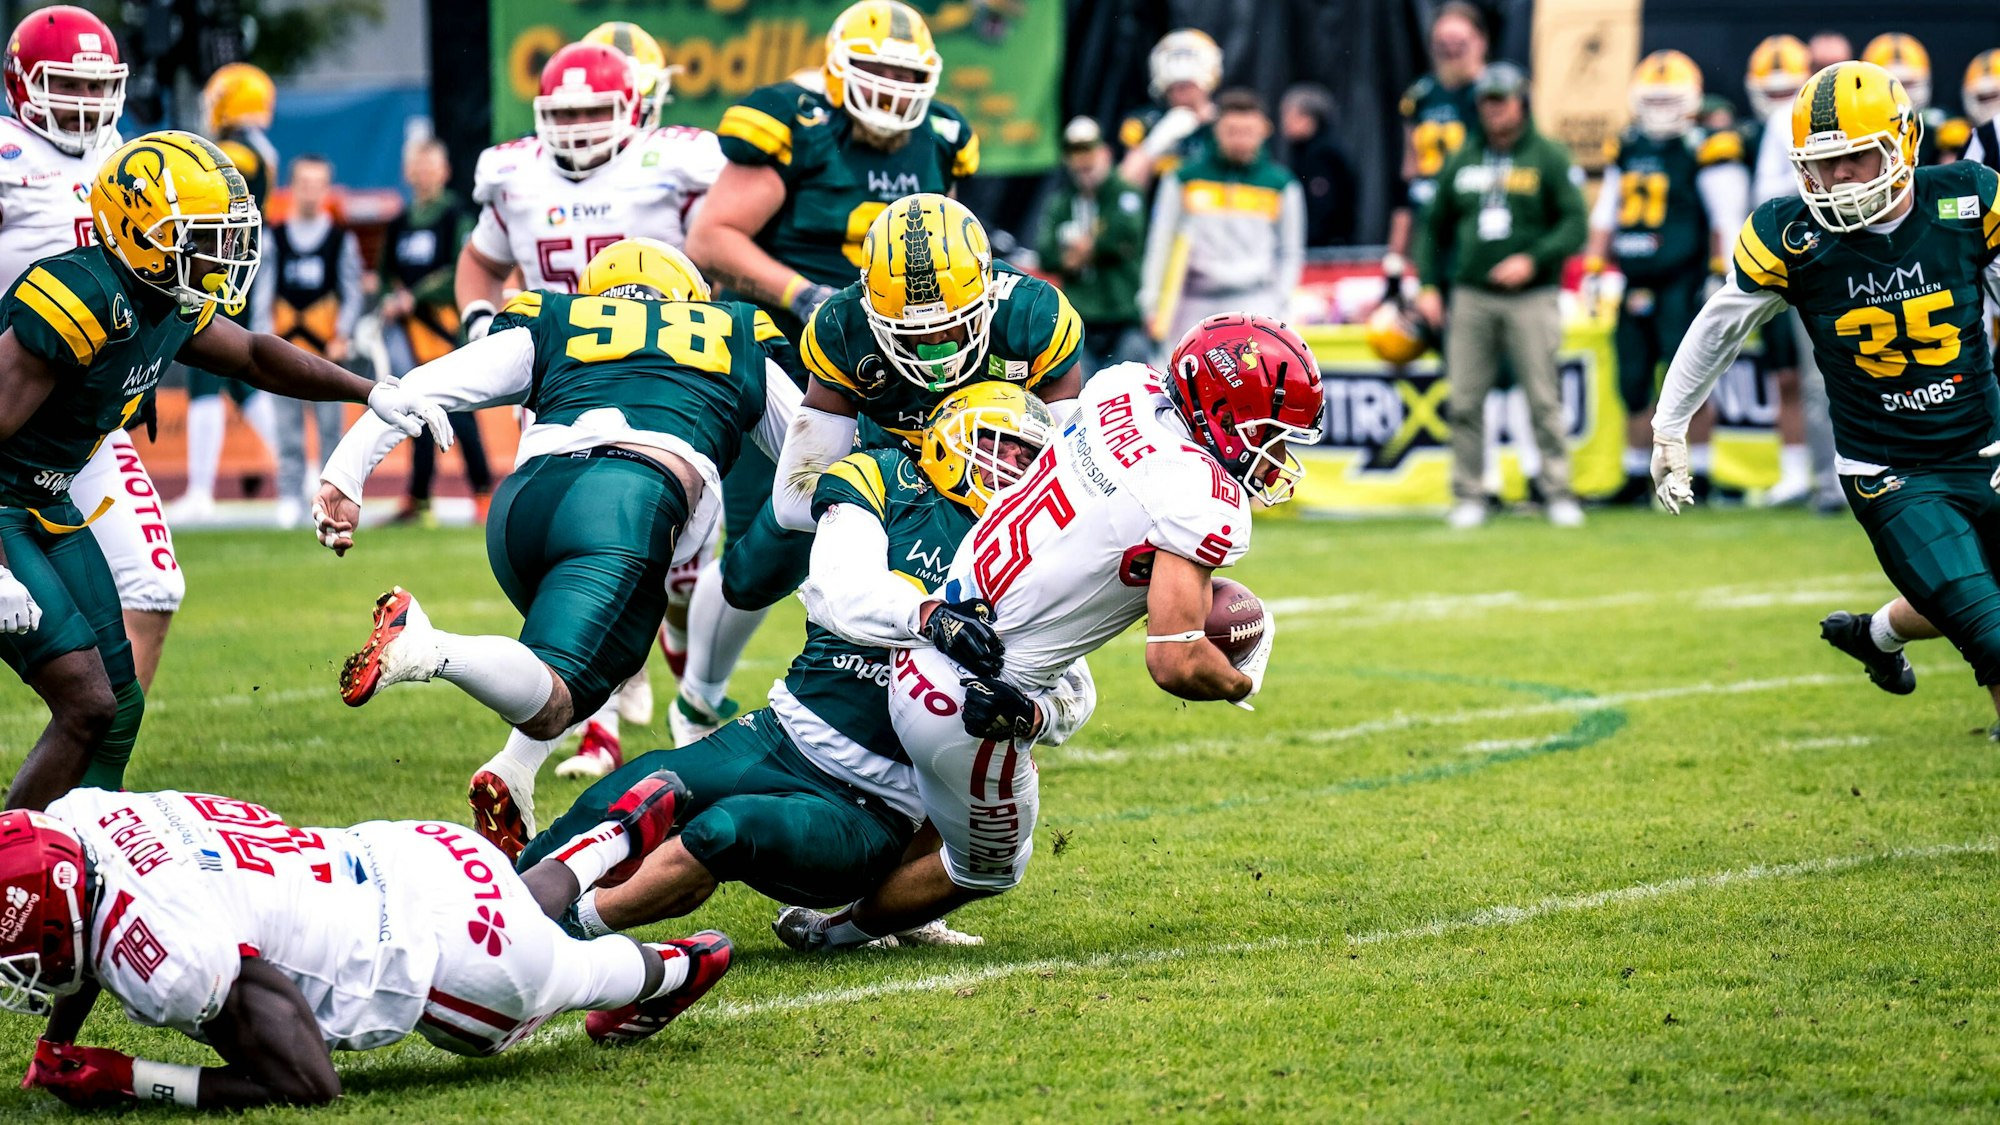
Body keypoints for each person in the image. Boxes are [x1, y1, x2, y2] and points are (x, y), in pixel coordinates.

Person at [775, 314, 1321, 948]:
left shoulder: (1126, 386)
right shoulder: (1202, 498)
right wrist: (1237, 681)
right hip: (972, 691)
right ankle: (835, 931)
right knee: (989, 865)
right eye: (1274, 437)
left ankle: (879, 899)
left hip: (943, 626)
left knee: (973, 787)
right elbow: (1175, 661)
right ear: (1227, 414)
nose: (1278, 457)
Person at [502, 384, 1083, 953]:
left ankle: (564, 934)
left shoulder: (1036, 555)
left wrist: (1032, 715)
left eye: (1029, 456)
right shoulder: (884, 479)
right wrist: (929, 615)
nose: (1013, 465)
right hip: (779, 735)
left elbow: (1074, 692)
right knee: (635, 788)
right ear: (947, 440)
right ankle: (496, 901)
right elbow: (838, 590)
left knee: (723, 830)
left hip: (870, 804)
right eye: (1000, 445)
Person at [0, 131, 448, 811]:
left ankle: (76, 849)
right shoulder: (80, 297)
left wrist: (368, 391)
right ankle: (14, 869)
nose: (218, 254)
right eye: (201, 236)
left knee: (117, 700)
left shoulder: (163, 297)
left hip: (49, 500)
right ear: (143, 233)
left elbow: (256, 356)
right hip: (5, 506)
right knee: (86, 701)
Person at [314, 240, 800, 847]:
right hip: (625, 503)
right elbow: (813, 457)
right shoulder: (732, 334)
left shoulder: (558, 319)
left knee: (590, 662)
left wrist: (345, 471)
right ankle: (427, 646)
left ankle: (513, 770)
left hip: (521, 512)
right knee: (560, 692)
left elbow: (428, 384)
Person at [6, 778, 730, 1109]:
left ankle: (678, 966)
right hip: (412, 853)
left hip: (445, 964)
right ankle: (613, 835)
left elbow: (307, 1081)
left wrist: (128, 1077)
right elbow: (99, 917)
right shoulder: (82, 815)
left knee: (572, 970)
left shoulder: (175, 958)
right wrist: (55, 1043)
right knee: (508, 899)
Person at [1651, 63, 2000, 735]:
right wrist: (1671, 426)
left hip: (1985, 441)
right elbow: (1717, 328)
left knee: (1976, 598)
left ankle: (1876, 635)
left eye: (1855, 158)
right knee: (1990, 629)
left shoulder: (1966, 200)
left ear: (1904, 142)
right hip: (1892, 472)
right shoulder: (1793, 236)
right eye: (1824, 164)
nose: (1838, 180)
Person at [667, 194, 1081, 748]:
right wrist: (884, 511)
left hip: (998, 484)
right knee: (752, 572)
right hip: (888, 466)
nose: (934, 350)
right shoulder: (843, 327)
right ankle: (697, 698)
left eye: (949, 330)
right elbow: (797, 494)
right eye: (912, 336)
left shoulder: (1034, 316)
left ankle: (1019, 707)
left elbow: (1068, 473)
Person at [679, 1, 980, 759]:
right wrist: (806, 294)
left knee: (920, 526)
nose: (892, 90)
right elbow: (711, 237)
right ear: (841, 66)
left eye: (907, 75)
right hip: (787, 352)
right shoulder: (795, 122)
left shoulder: (942, 137)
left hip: (900, 363)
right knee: (776, 534)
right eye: (877, 70)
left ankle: (908, 694)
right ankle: (699, 697)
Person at [454, 37, 725, 777]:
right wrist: (482, 321)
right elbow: (480, 259)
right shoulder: (514, 175)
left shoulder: (673, 164)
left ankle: (686, 680)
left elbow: (722, 242)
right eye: (562, 112)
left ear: (632, 108)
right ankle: (598, 726)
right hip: (563, 380)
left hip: (667, 381)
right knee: (582, 559)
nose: (576, 127)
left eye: (594, 111)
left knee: (680, 577)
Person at [0, 7, 184, 695]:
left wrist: (142, 368)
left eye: (96, 85)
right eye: (67, 86)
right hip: (11, 402)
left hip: (85, 419)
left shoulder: (126, 156)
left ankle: (95, 772)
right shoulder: (7, 158)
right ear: (23, 83)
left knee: (154, 584)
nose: (86, 102)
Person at [1413, 62, 1587, 529]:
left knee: (1542, 397)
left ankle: (1556, 490)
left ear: (1520, 102)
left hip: (1531, 294)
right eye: (1487, 101)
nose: (1493, 109)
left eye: (1501, 100)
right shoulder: (1463, 157)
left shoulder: (1547, 156)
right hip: (1470, 293)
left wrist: (1534, 258)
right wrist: (1428, 284)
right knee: (1466, 398)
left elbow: (1574, 224)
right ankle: (1471, 492)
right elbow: (1433, 226)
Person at [1583, 50, 1749, 505]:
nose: (1659, 109)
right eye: (1652, 99)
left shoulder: (1705, 146)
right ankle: (1637, 476)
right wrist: (1595, 267)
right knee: (1634, 380)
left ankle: (1705, 475)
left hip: (1683, 278)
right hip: (1634, 279)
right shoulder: (1628, 146)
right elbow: (1606, 210)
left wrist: (1721, 272)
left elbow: (1725, 216)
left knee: (1690, 379)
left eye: (1668, 99)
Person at [173, 61, 280, 523]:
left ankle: (200, 490)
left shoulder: (240, 152)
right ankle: (305, 469)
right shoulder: (258, 149)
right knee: (240, 378)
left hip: (223, 265)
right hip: (242, 261)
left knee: (205, 368)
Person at [1139, 89, 1304, 358]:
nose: (1240, 140)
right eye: (1231, 131)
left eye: (1248, 131)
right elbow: (1161, 242)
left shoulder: (1282, 184)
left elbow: (1291, 251)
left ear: (1264, 130)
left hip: (1257, 301)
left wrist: (1282, 302)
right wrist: (1151, 303)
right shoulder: (1183, 178)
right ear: (1216, 130)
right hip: (1193, 302)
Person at [377, 137, 489, 526]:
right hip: (408, 336)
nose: (424, 175)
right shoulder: (400, 222)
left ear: (444, 172)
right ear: (408, 173)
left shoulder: (455, 216)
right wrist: (391, 297)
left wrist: (415, 296)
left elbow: (463, 267)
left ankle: (483, 493)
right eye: (417, 167)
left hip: (446, 331)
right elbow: (385, 275)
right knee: (413, 410)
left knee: (460, 412)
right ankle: (419, 497)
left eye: (431, 167)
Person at [253, 154, 364, 531]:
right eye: (304, 183)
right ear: (292, 186)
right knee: (287, 431)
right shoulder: (275, 237)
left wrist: (343, 333)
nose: (311, 192)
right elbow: (262, 294)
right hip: (285, 350)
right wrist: (261, 342)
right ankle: (288, 497)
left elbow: (352, 293)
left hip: (326, 354)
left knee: (332, 432)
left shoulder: (340, 239)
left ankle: (329, 499)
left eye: (318, 184)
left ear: (326, 190)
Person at [1383, 1, 1488, 285]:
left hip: (1475, 226)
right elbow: (1409, 174)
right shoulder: (1421, 95)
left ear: (1480, 42)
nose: (1450, 51)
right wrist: (1395, 258)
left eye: (1459, 42)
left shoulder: (1493, 94)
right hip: (1430, 227)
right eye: (1442, 43)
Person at [1036, 117, 1149, 379]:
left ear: (1105, 152)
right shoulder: (1061, 203)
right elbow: (1046, 254)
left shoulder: (1125, 192)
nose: (1083, 161)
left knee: (1131, 389)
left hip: (1123, 316)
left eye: (1088, 151)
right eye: (1075, 153)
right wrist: (1075, 255)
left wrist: (1086, 250)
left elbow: (1125, 237)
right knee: (1081, 399)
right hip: (1081, 319)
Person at [1116, 28, 1223, 193]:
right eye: (1175, 87)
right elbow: (1125, 188)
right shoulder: (1146, 122)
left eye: (1188, 85)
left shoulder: (1223, 123)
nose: (1182, 93)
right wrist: (1155, 143)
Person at [1280, 83, 1358, 247]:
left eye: (1289, 114)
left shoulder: (1321, 156)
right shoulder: (1304, 152)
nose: (1284, 121)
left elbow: (1322, 209)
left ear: (1308, 118)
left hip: (1324, 251)